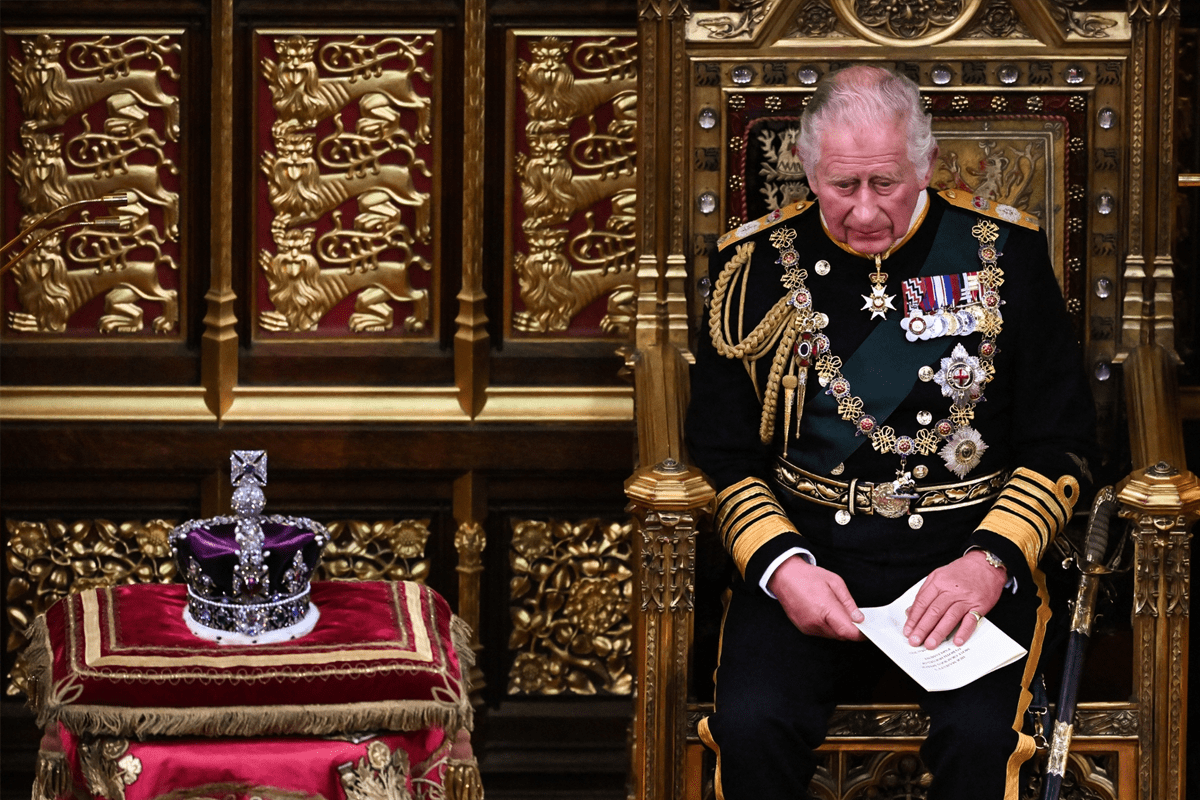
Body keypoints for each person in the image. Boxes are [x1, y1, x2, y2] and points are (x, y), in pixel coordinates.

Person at [685, 65, 1096, 800]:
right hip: (811, 555)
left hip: (961, 557)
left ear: (927, 165)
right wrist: (784, 568)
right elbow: (722, 451)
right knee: (750, 726)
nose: (866, 211)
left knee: (979, 741)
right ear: (808, 170)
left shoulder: (1006, 256)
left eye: (887, 182)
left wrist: (989, 561)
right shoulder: (748, 270)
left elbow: (1060, 441)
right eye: (842, 187)